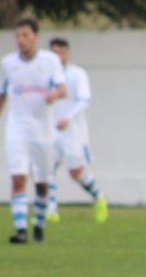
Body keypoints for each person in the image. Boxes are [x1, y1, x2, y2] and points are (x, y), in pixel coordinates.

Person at [0, 17, 68, 243]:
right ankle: (21, 230)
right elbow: (1, 94)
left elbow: (63, 89)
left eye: (25, 35)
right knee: (18, 177)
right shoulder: (8, 63)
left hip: (43, 129)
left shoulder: (50, 61)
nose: (20, 40)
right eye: (17, 36)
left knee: (42, 182)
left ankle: (39, 225)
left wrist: (55, 94)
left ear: (36, 37)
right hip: (17, 127)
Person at [45, 37, 109, 224]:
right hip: (50, 129)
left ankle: (99, 196)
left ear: (68, 53)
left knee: (76, 173)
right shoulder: (45, 75)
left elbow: (84, 100)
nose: (58, 56)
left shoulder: (77, 74)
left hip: (72, 132)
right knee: (47, 169)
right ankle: (51, 210)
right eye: (54, 52)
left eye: (61, 52)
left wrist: (68, 118)